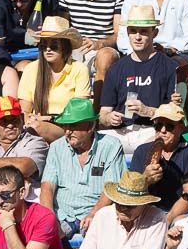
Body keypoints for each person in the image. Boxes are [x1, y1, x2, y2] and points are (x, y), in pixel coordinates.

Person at [106, 2, 188, 152]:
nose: (137, 37)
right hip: (121, 132)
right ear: (127, 33)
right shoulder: (116, 68)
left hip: (153, 130)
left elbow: (176, 113)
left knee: (164, 139)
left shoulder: (169, 67)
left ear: (155, 33)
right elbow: (103, 112)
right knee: (96, 141)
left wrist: (148, 111)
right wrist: (109, 118)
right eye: (133, 31)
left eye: (144, 31)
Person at [38, 97, 125, 237]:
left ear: (90, 126)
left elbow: (112, 188)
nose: (67, 131)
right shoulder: (56, 147)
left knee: (99, 238)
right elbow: (47, 187)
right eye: (65, 126)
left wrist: (94, 214)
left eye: (73, 126)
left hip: (97, 216)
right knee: (43, 236)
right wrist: (50, 218)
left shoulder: (111, 146)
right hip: (62, 215)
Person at [16, 16, 94, 138]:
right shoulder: (31, 69)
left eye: (54, 46)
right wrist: (31, 120)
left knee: (37, 127)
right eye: (43, 45)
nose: (48, 49)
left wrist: (51, 119)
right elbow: (24, 111)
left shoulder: (79, 69)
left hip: (68, 127)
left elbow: (79, 112)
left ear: (65, 47)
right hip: (34, 124)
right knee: (33, 127)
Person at [130, 103, 188, 215]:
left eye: (169, 126)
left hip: (180, 212)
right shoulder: (141, 151)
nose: (163, 130)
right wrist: (145, 180)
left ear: (181, 128)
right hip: (145, 211)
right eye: (158, 126)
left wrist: (169, 218)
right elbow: (131, 191)